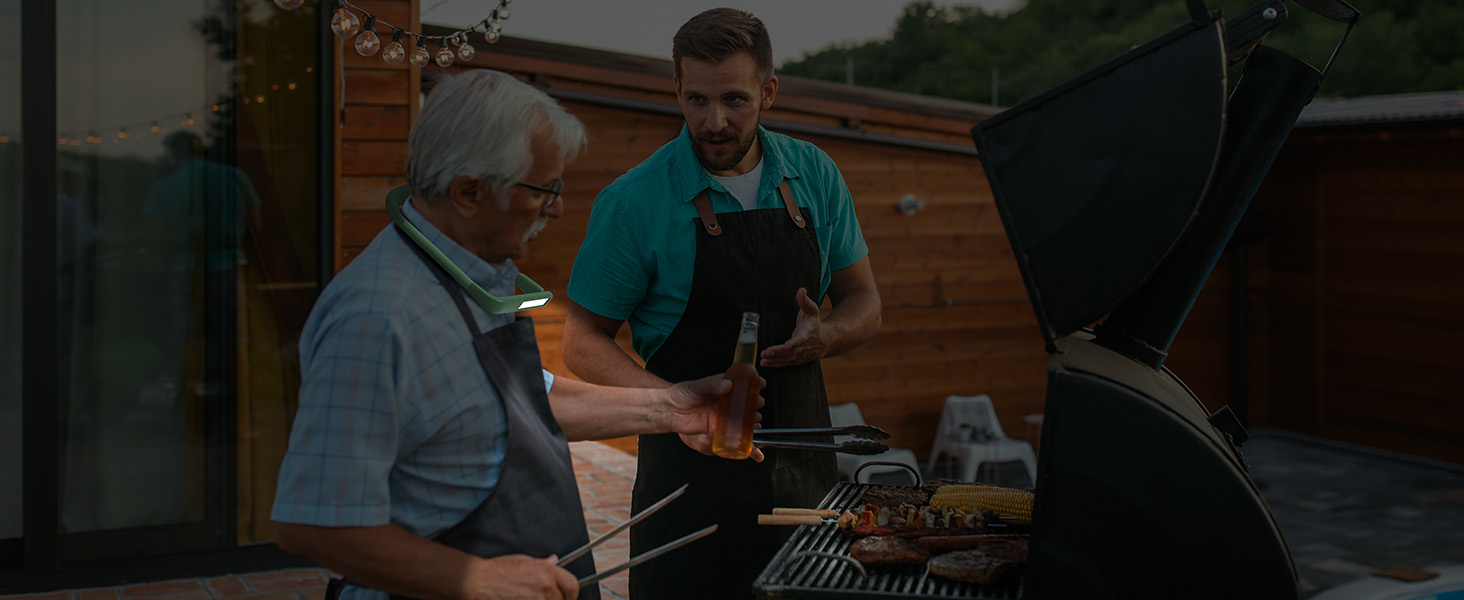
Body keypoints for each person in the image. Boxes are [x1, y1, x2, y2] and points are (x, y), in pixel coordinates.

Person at [271, 69, 760, 600]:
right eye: (542, 189)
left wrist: (669, 408)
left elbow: (524, 400)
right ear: (468, 192)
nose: (557, 207)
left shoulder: (471, 274)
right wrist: (472, 577)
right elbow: (315, 523)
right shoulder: (375, 317)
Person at [562, 8, 882, 599]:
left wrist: (828, 336)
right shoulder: (633, 202)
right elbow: (580, 341)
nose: (714, 122)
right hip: (688, 485)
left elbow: (865, 300)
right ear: (677, 89)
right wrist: (669, 405)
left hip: (806, 481)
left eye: (735, 100)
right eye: (697, 100)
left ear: (769, 91)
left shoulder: (814, 172)